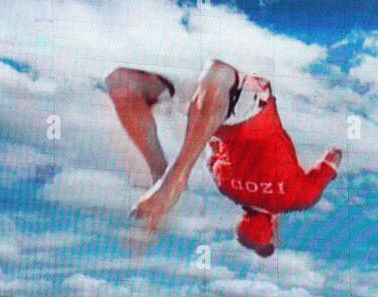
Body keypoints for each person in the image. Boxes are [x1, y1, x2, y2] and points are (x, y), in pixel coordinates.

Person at [105, 60, 341, 258]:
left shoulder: (300, 198)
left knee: (218, 73)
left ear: (274, 225)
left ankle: (172, 176)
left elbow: (334, 156)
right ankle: (158, 170)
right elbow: (212, 142)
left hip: (242, 106)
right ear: (241, 217)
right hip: (211, 111)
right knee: (120, 82)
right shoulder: (226, 187)